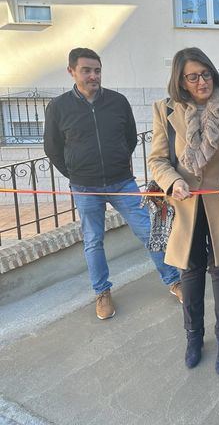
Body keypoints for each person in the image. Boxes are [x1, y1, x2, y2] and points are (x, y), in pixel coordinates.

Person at [43, 48, 182, 320]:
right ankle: (102, 292)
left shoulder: (118, 102)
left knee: (148, 231)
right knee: (93, 241)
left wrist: (117, 162)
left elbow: (129, 138)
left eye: (97, 70)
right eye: (86, 70)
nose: (93, 75)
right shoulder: (58, 107)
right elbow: (53, 148)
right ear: (71, 71)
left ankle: (173, 280)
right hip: (85, 188)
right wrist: (74, 173)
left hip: (122, 182)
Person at [147, 47, 219, 373]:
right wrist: (173, 181)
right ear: (180, 81)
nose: (202, 81)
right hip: (185, 205)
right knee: (190, 271)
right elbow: (158, 160)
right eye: (192, 77)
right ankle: (194, 338)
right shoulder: (165, 110)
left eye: (206, 73)